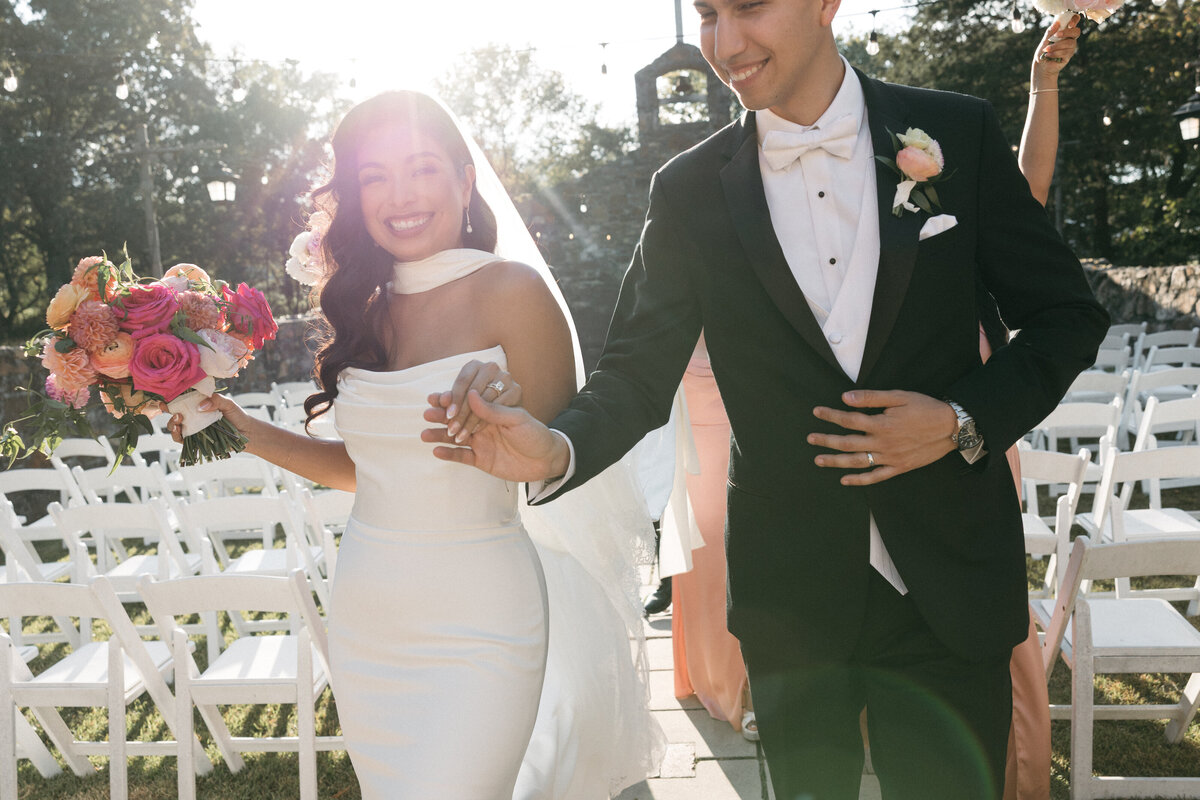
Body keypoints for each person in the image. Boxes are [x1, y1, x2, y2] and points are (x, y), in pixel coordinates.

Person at [428, 0, 1109, 797]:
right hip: (793, 596)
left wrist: (962, 421)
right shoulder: (687, 192)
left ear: (826, 5)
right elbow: (635, 372)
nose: (724, 42)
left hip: (950, 582)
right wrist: (558, 447)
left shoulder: (955, 134)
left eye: (748, 7)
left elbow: (1066, 317)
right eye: (709, 14)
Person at [170, 90, 660, 799]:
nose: (400, 195)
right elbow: (364, 472)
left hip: (483, 616)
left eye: (423, 168)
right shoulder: (364, 308)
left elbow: (565, 466)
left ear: (465, 181)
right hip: (372, 614)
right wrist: (234, 426)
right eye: (375, 177)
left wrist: (522, 438)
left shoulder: (512, 292)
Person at [996, 16, 1082, 800]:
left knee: (989, 597)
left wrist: (1041, 83)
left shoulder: (975, 231)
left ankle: (1017, 766)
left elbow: (1031, 180)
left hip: (975, 434)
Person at [668, 335, 756, 740]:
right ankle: (720, 680)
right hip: (695, 462)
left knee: (742, 567)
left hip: (747, 454)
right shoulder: (669, 316)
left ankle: (751, 686)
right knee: (707, 571)